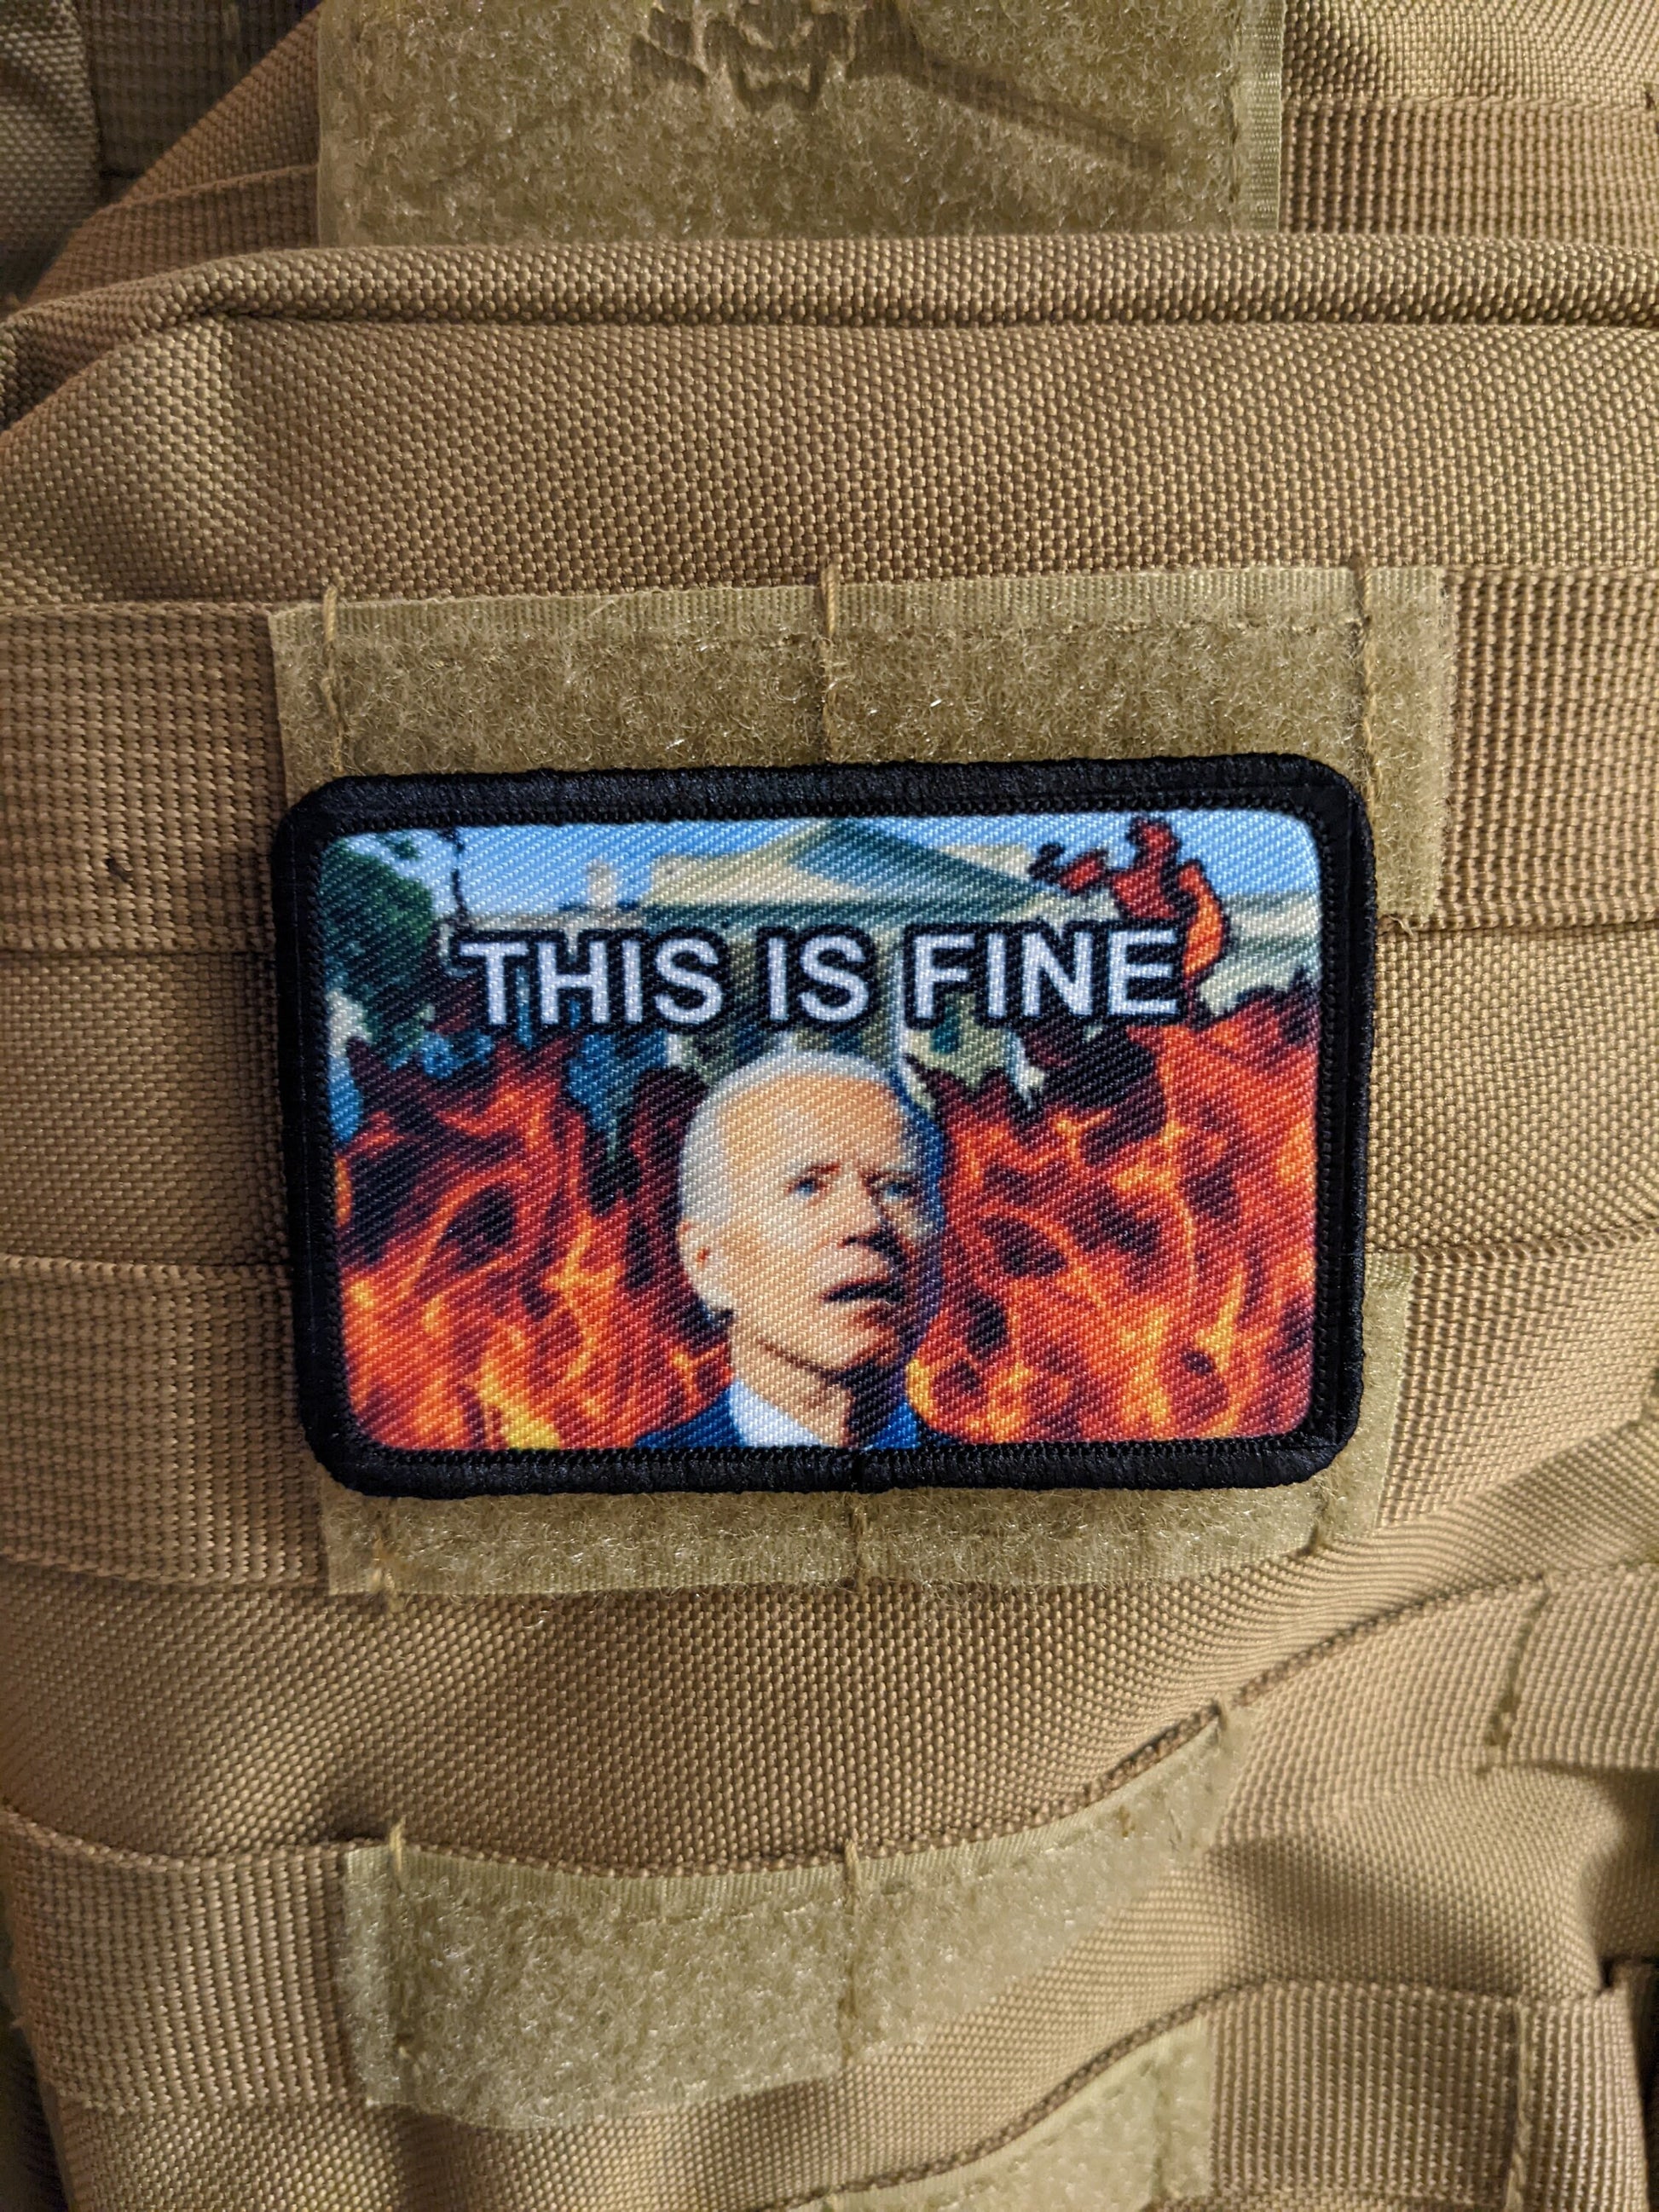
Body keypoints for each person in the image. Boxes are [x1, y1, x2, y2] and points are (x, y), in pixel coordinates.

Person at [639, 1049, 951, 1448]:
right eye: (808, 1187)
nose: (867, 1222)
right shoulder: (635, 1480)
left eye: (897, 1189)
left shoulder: (997, 1480)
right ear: (708, 1262)